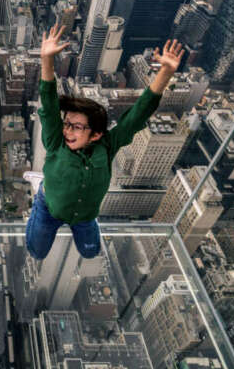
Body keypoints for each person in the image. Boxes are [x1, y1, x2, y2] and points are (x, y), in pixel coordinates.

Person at [25, 23, 184, 260]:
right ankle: (42, 186)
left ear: (96, 134)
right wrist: (46, 60)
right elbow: (48, 107)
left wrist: (166, 73)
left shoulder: (107, 145)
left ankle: (54, 191)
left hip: (86, 216)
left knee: (90, 253)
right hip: (49, 207)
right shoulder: (56, 141)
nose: (68, 130)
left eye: (77, 127)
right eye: (67, 123)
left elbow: (137, 115)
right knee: (36, 252)